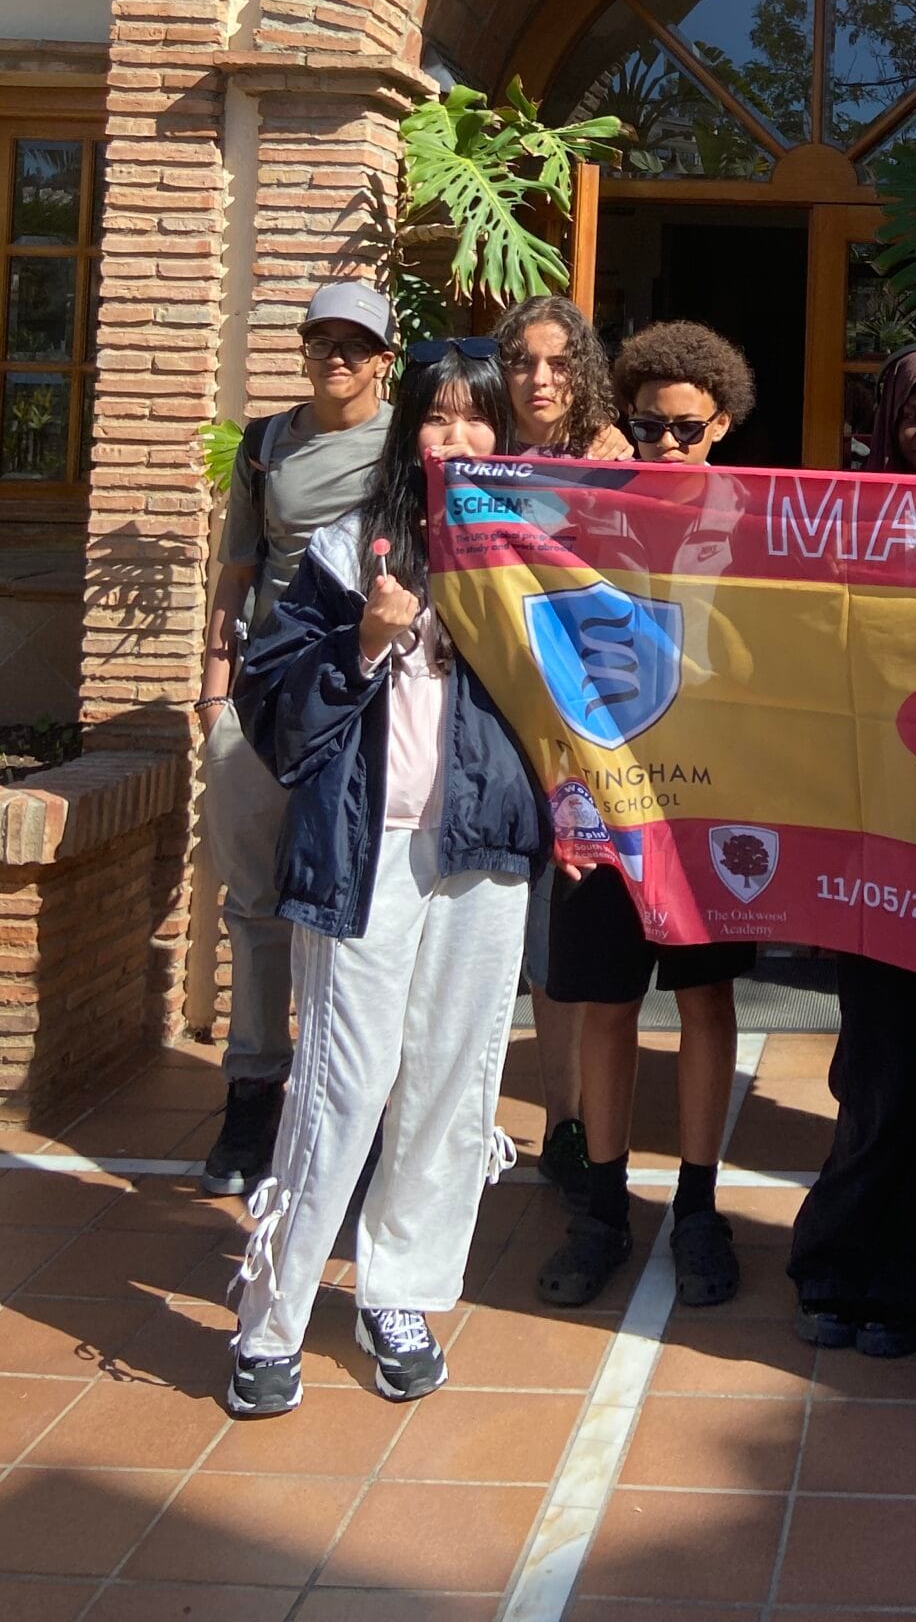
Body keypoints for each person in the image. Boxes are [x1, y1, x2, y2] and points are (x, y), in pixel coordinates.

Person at [224, 337, 545, 1420]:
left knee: (452, 1082)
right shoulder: (342, 548)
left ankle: (397, 1291)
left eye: (479, 418)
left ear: (505, 433)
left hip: (481, 853)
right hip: (366, 851)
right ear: (409, 428)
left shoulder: (533, 554)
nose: (459, 439)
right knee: (342, 1087)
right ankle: (272, 1311)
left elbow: (586, 698)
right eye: (439, 417)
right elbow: (269, 702)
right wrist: (364, 640)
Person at [534, 319, 759, 1313]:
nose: (666, 447)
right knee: (608, 1001)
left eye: (685, 429)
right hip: (606, 786)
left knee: (706, 999)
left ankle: (700, 1206)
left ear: (722, 425)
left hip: (715, 793)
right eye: (647, 427)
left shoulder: (763, 515)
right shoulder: (589, 509)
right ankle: (604, 1204)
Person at [785, 341, 916, 1356]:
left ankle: (910, 1287)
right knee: (873, 1069)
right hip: (872, 830)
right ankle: (834, 1267)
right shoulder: (845, 521)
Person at [194, 280, 396, 1197]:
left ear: (385, 359)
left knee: (357, 913)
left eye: (357, 344)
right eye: (323, 341)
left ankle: (354, 1116)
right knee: (255, 906)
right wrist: (212, 698)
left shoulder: (409, 443)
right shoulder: (266, 444)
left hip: (364, 701)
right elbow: (235, 570)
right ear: (304, 348)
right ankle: (251, 1095)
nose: (338, 359)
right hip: (266, 701)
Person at [496, 293, 631, 1210]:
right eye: (522, 363)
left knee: (581, 916)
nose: (540, 380)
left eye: (557, 362)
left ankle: (587, 1116)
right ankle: (561, 1122)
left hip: (596, 722)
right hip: (502, 716)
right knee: (541, 930)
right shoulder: (480, 461)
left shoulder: (616, 461)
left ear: (581, 370)